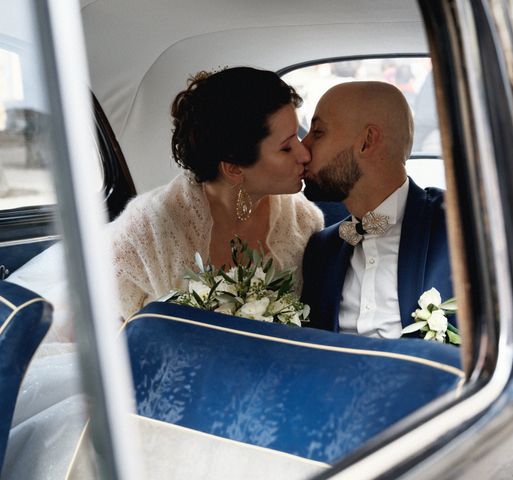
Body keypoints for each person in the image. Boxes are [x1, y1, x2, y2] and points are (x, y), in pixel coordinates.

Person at [110, 67, 324, 319]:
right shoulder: (147, 229)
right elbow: (116, 330)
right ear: (233, 168)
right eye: (286, 148)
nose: (305, 154)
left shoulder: (304, 221)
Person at [301, 81, 453, 338]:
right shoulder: (321, 249)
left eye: (317, 132)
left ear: (367, 141)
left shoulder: (457, 226)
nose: (302, 149)